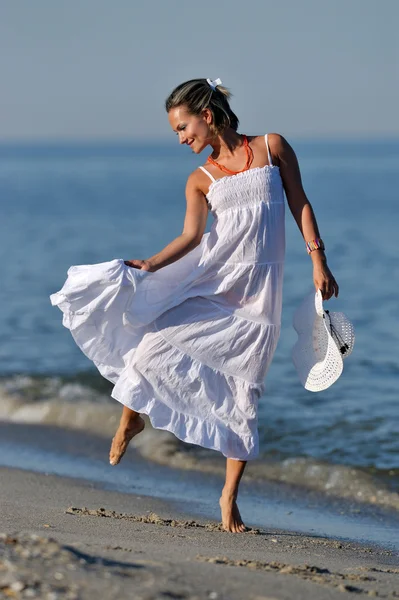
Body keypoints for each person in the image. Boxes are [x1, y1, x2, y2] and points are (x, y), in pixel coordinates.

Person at [51, 77, 339, 533]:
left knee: (245, 391)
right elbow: (190, 237)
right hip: (216, 281)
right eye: (176, 132)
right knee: (152, 345)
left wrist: (318, 260)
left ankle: (228, 498)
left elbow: (300, 201)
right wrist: (149, 263)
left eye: (183, 127)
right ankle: (131, 419)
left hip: (260, 295)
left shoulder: (272, 146)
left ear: (207, 116)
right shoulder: (200, 179)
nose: (181, 138)